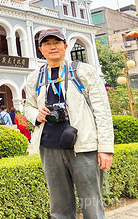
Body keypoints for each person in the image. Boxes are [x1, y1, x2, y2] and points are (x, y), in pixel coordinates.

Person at [24, 29, 114, 219]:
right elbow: (27, 107)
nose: (52, 46)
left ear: (65, 46)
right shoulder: (35, 77)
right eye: (47, 43)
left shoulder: (84, 71)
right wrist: (36, 114)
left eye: (56, 42)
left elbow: (102, 111)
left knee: (91, 204)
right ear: (41, 49)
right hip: (50, 148)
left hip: (83, 147)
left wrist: (105, 148)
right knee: (59, 208)